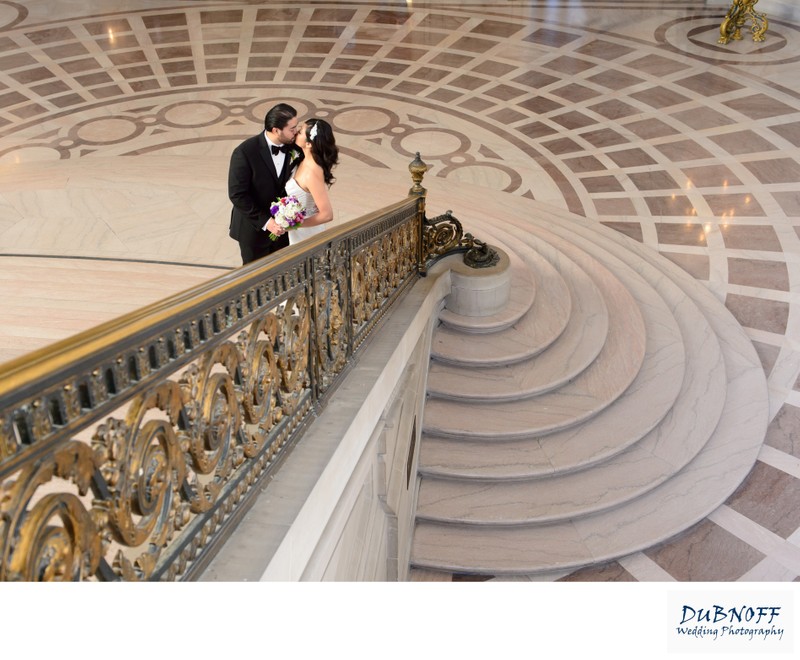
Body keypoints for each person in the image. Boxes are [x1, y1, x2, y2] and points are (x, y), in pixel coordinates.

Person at [228, 103, 303, 265]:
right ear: (276, 130)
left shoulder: (295, 148)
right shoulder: (245, 152)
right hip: (253, 231)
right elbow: (237, 195)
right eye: (292, 128)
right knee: (254, 279)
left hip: (284, 230)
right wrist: (268, 223)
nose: (296, 132)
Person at [270, 118, 339, 245]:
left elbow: (327, 214)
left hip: (308, 234)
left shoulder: (312, 173)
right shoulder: (303, 159)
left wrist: (294, 224)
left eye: (300, 132)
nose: (296, 132)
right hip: (298, 232)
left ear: (309, 144)